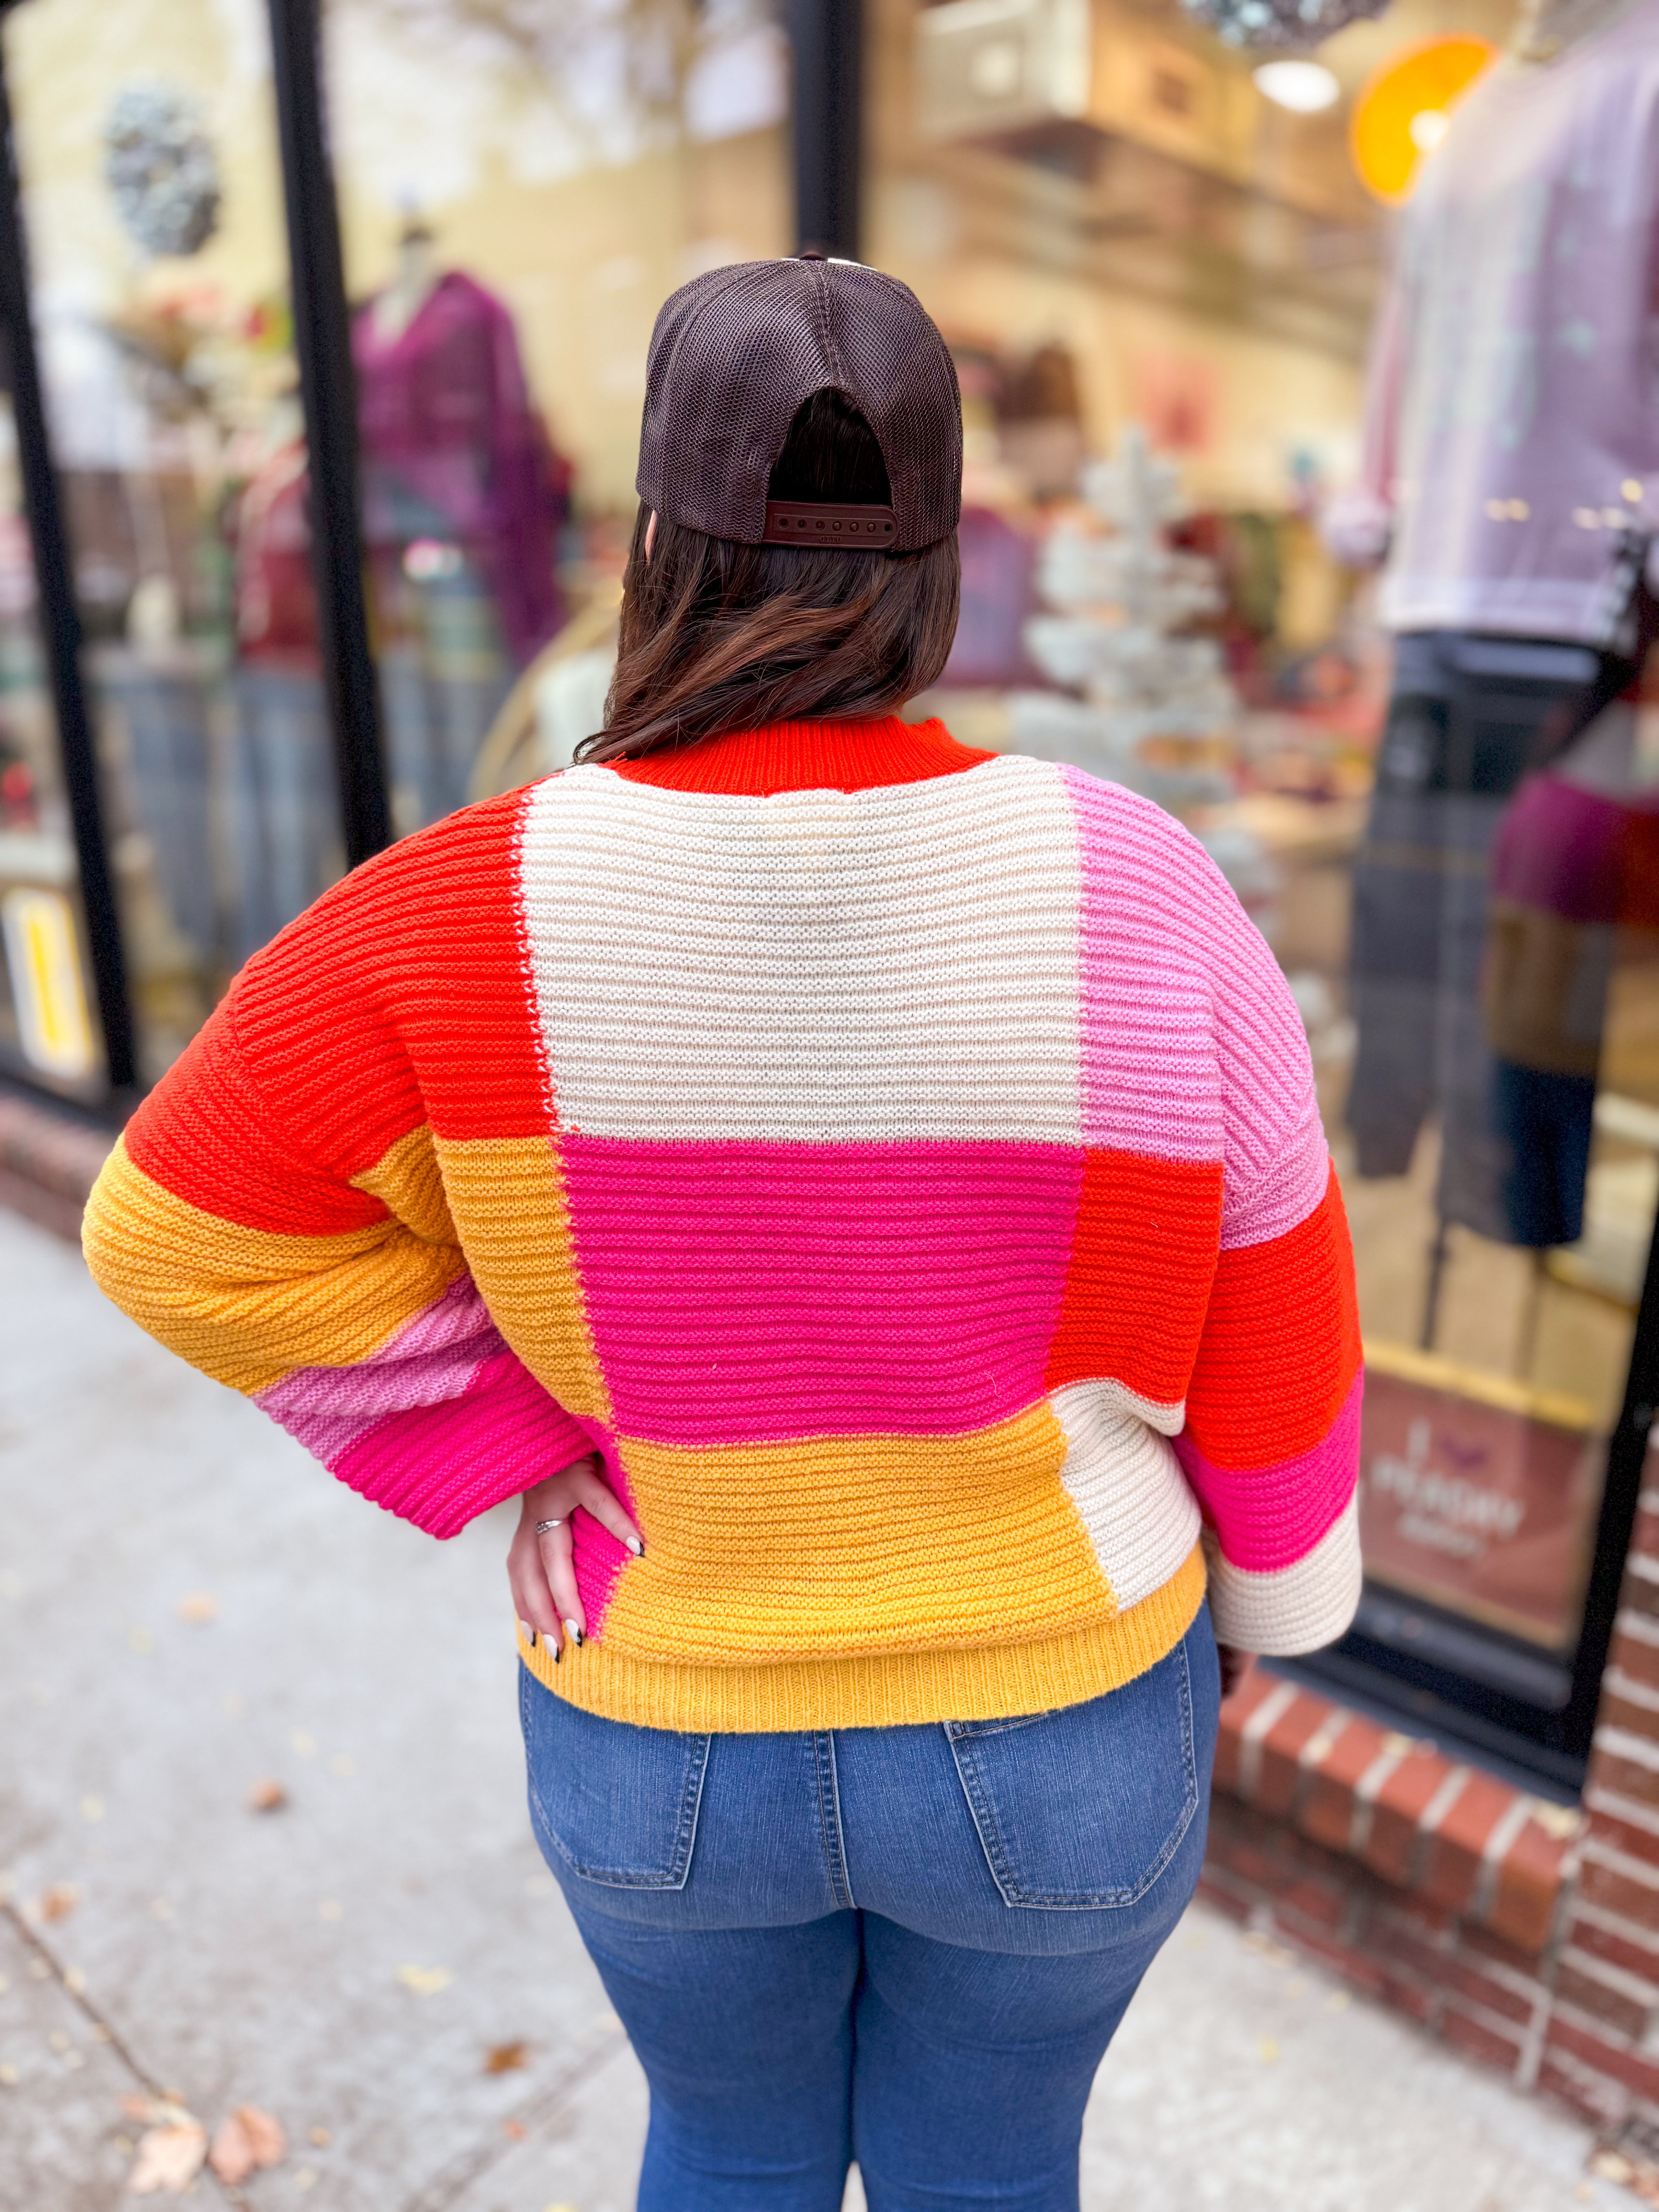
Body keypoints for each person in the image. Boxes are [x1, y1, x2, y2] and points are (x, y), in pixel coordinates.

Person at [82, 254, 1363, 2212]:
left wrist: (510, 1442)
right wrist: (1270, 1610)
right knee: (995, 2169)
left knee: (734, 2153)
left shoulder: (456, 907)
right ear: (941, 571)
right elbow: (1276, 1295)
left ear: (655, 551)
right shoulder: (1140, 884)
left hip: (665, 1727)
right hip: (1063, 1726)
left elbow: (177, 1235)